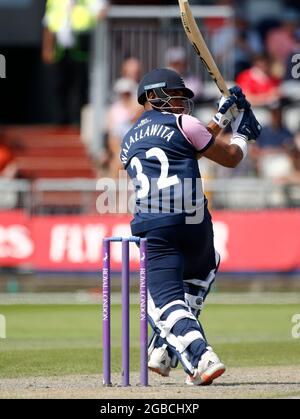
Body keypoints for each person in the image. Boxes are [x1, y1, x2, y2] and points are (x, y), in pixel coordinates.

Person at [120, 68, 261, 385]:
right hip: (196, 225)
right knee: (202, 272)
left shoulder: (126, 142)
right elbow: (228, 156)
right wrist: (241, 132)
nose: (183, 103)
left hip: (156, 227)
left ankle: (200, 357)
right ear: (153, 96)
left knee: (164, 302)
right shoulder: (187, 124)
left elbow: (182, 147)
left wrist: (221, 118)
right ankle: (162, 350)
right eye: (177, 96)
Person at [42, 0, 109, 124]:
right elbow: (48, 23)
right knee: (59, 86)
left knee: (81, 85)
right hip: (60, 49)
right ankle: (60, 121)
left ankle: (79, 121)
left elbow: (101, 11)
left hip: (81, 47)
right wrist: (47, 47)